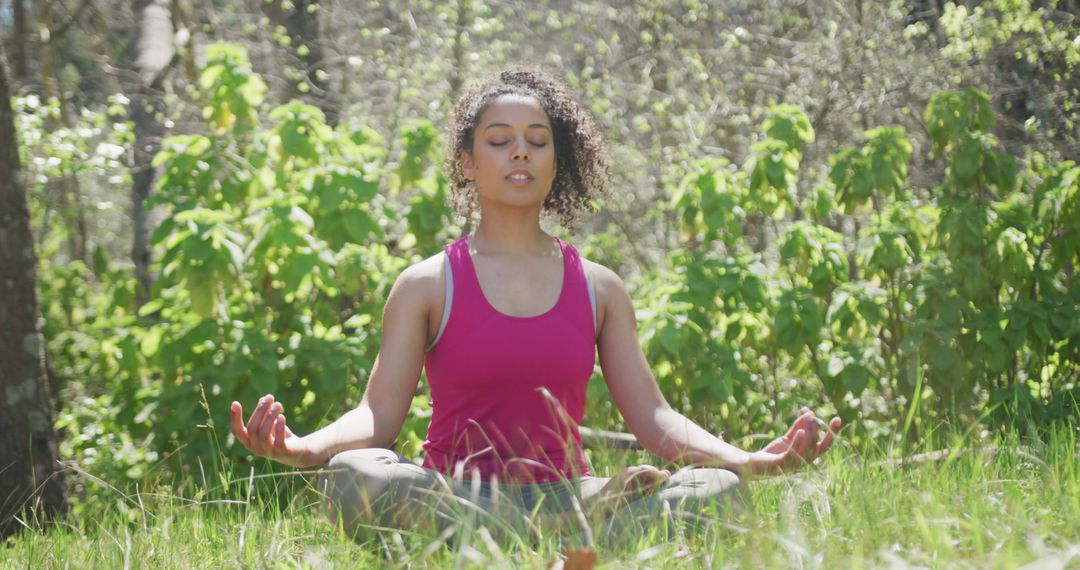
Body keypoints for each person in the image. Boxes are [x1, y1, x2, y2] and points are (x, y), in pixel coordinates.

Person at [229, 68, 842, 543]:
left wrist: (749, 461)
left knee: (716, 492)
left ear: (557, 162)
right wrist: (306, 448)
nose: (519, 152)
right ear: (468, 163)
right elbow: (377, 417)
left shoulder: (598, 288)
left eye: (536, 141)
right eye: (499, 141)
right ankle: (563, 532)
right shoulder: (425, 284)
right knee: (355, 477)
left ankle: (551, 525)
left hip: (567, 490)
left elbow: (654, 420)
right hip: (452, 492)